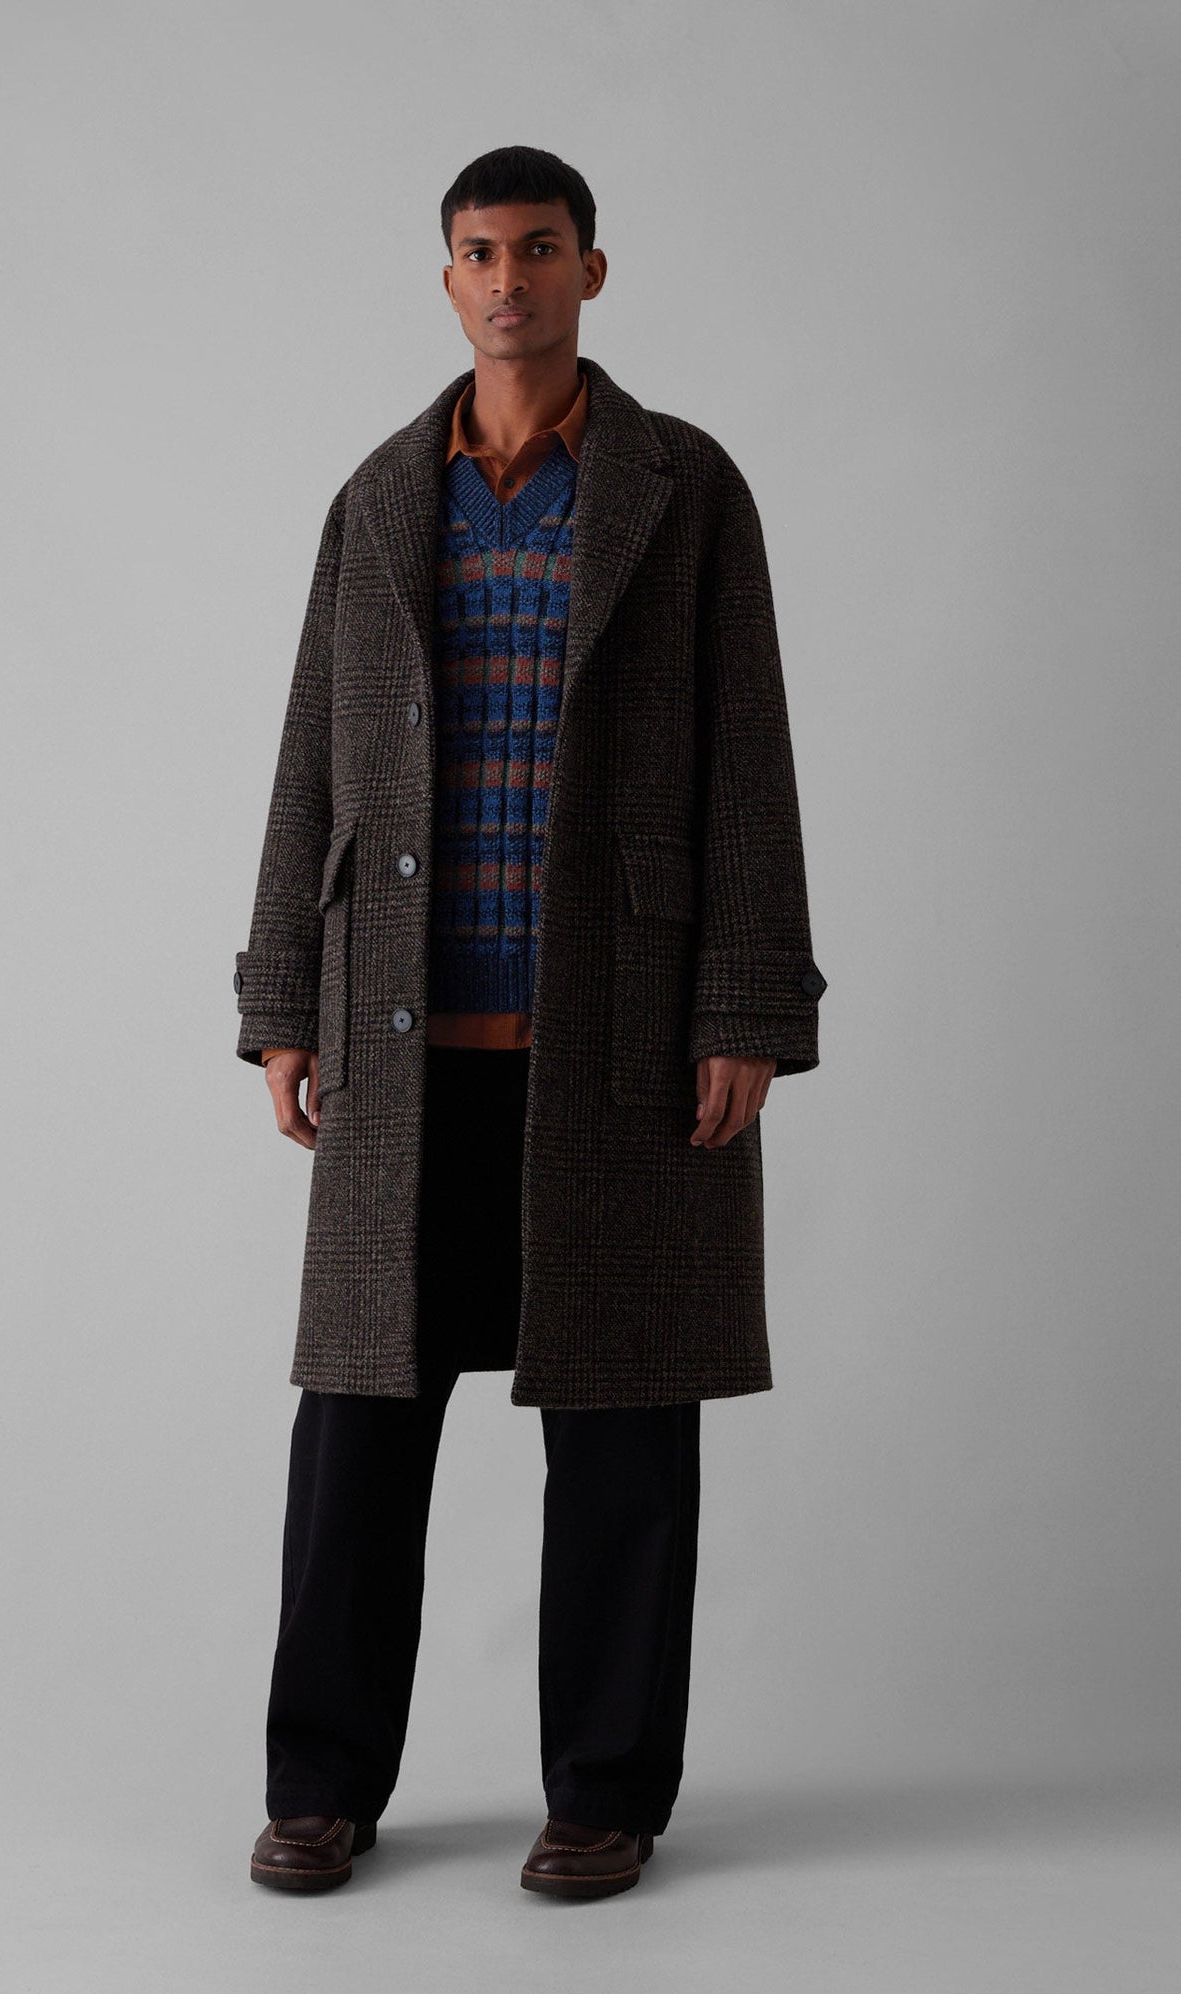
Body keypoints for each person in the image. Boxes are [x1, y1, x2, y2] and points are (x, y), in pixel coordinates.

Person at [234, 145, 827, 1901]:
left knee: (627, 1421)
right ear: (449, 279)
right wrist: (283, 997)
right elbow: (311, 756)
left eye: (542, 248)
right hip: (401, 1039)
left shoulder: (683, 487)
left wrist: (745, 1001)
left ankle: (607, 1794)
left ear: (591, 270)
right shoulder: (376, 497)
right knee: (358, 1425)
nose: (511, 279)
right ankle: (320, 1783)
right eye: (482, 253)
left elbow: (748, 757)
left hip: (620, 1038)